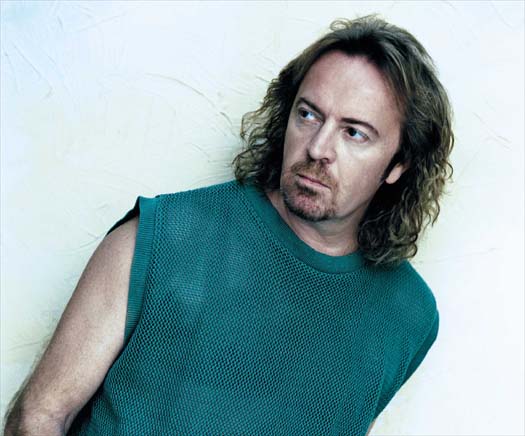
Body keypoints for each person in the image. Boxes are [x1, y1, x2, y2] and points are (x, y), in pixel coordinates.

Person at [4, 14, 453, 436]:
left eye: (354, 132)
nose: (318, 148)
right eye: (308, 114)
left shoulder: (408, 315)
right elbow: (38, 416)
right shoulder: (159, 239)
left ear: (399, 163)